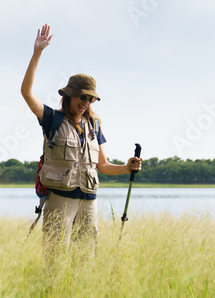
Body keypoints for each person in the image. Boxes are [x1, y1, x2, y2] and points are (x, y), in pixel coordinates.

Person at [21, 24, 142, 257]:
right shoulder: (51, 118)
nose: (86, 102)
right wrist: (37, 53)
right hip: (59, 200)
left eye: (91, 98)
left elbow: (103, 166)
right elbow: (26, 93)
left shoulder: (95, 125)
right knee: (54, 259)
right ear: (69, 95)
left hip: (88, 202)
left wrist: (127, 167)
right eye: (82, 96)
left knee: (85, 258)